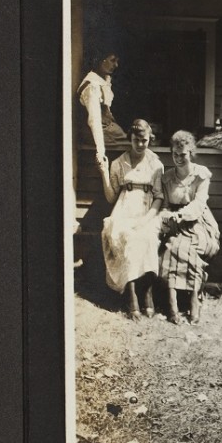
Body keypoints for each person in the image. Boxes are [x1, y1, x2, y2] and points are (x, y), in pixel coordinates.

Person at [99, 119, 164, 319]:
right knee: (124, 236)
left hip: (148, 210)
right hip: (124, 209)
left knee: (147, 238)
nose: (141, 145)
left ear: (149, 139)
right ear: (131, 139)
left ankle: (147, 293)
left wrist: (147, 219)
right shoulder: (119, 163)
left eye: (144, 140)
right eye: (137, 140)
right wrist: (103, 172)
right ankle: (133, 295)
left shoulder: (155, 164)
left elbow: (159, 197)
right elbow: (111, 197)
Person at [159, 131, 221, 325]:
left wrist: (181, 215)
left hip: (198, 221)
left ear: (191, 152)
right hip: (174, 222)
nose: (178, 158)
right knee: (172, 247)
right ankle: (173, 304)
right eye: (175, 154)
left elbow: (199, 204)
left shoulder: (201, 174)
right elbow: (165, 205)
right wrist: (169, 216)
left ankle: (194, 299)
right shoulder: (167, 178)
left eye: (183, 154)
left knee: (192, 247)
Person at [78, 50, 128, 169]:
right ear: (99, 60)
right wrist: (100, 152)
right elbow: (94, 121)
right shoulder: (92, 87)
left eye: (117, 61)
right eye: (112, 60)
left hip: (108, 130)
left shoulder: (103, 81)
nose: (116, 65)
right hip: (95, 134)